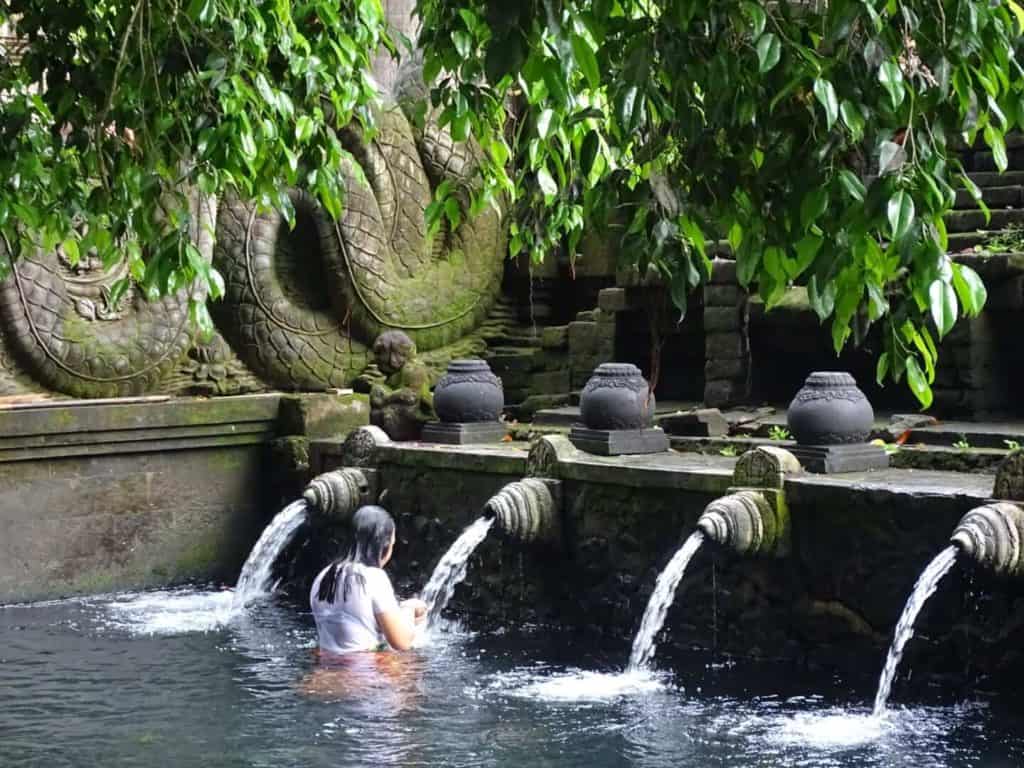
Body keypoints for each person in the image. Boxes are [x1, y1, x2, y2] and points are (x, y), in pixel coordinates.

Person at [310, 505, 426, 654]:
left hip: (326, 667)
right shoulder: (374, 577)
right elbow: (401, 642)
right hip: (364, 672)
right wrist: (409, 609)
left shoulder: (324, 576)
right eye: (392, 544)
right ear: (383, 545)